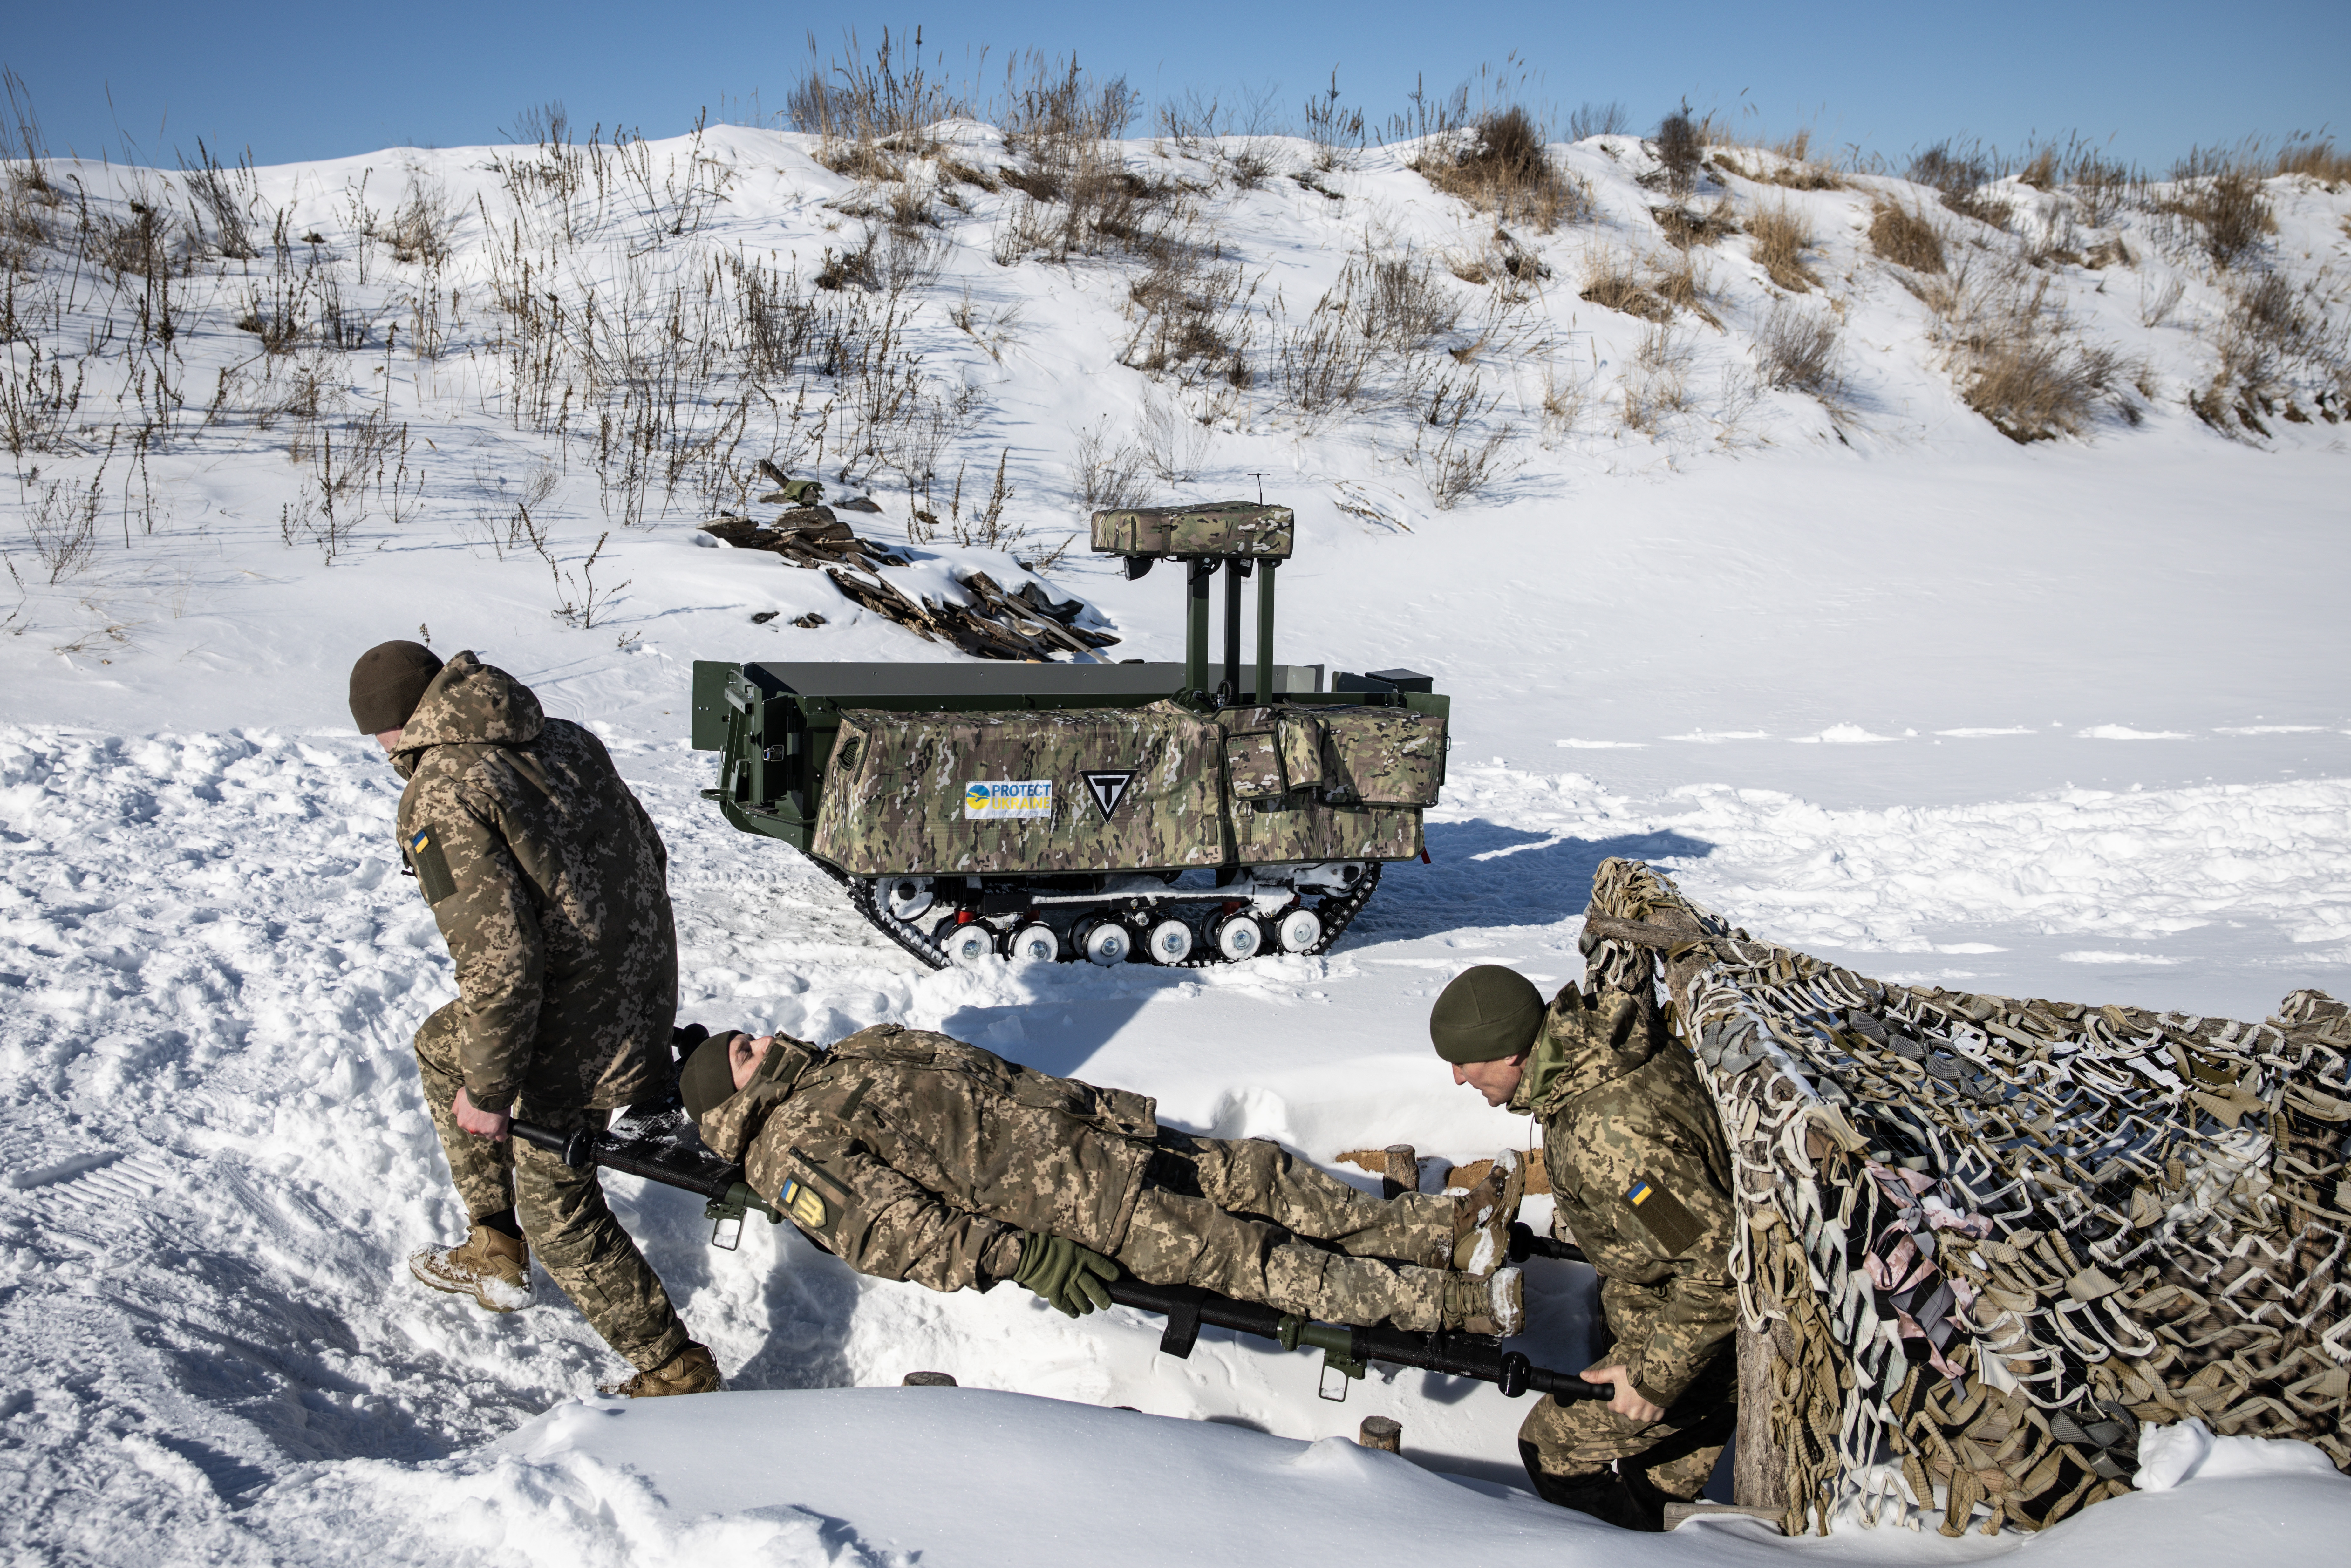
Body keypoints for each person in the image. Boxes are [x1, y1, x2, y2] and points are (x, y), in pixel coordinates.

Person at [350, 639, 718, 1398]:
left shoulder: (441, 790)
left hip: (576, 1020)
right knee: (438, 1044)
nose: (383, 751)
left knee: (561, 1207)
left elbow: (502, 965)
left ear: (396, 725)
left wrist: (489, 1096)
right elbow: (651, 850)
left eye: (376, 736)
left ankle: (675, 1369)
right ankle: (491, 1242)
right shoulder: (564, 738)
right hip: (645, 985)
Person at [678, 1025, 1528, 1335]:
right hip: (1090, 1212)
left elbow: (992, 1077)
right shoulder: (790, 1153)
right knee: (1268, 1262)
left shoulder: (852, 1050)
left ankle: (1446, 1236)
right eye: (742, 1054)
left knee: (1270, 1177)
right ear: (733, 1100)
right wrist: (1023, 1256)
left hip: (1108, 1138)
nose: (759, 1040)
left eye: (744, 1035)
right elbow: (898, 1233)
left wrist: (1099, 1112)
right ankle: (1454, 1308)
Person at [1431, 963, 1738, 1531]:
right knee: (1658, 1486)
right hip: (1671, 1321)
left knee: (1551, 1448)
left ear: (1511, 1054)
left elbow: (1719, 1267)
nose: (1456, 1078)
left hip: (1701, 1345)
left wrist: (1654, 1379)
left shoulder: (1612, 1135)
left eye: (1464, 1061)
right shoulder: (1589, 1061)